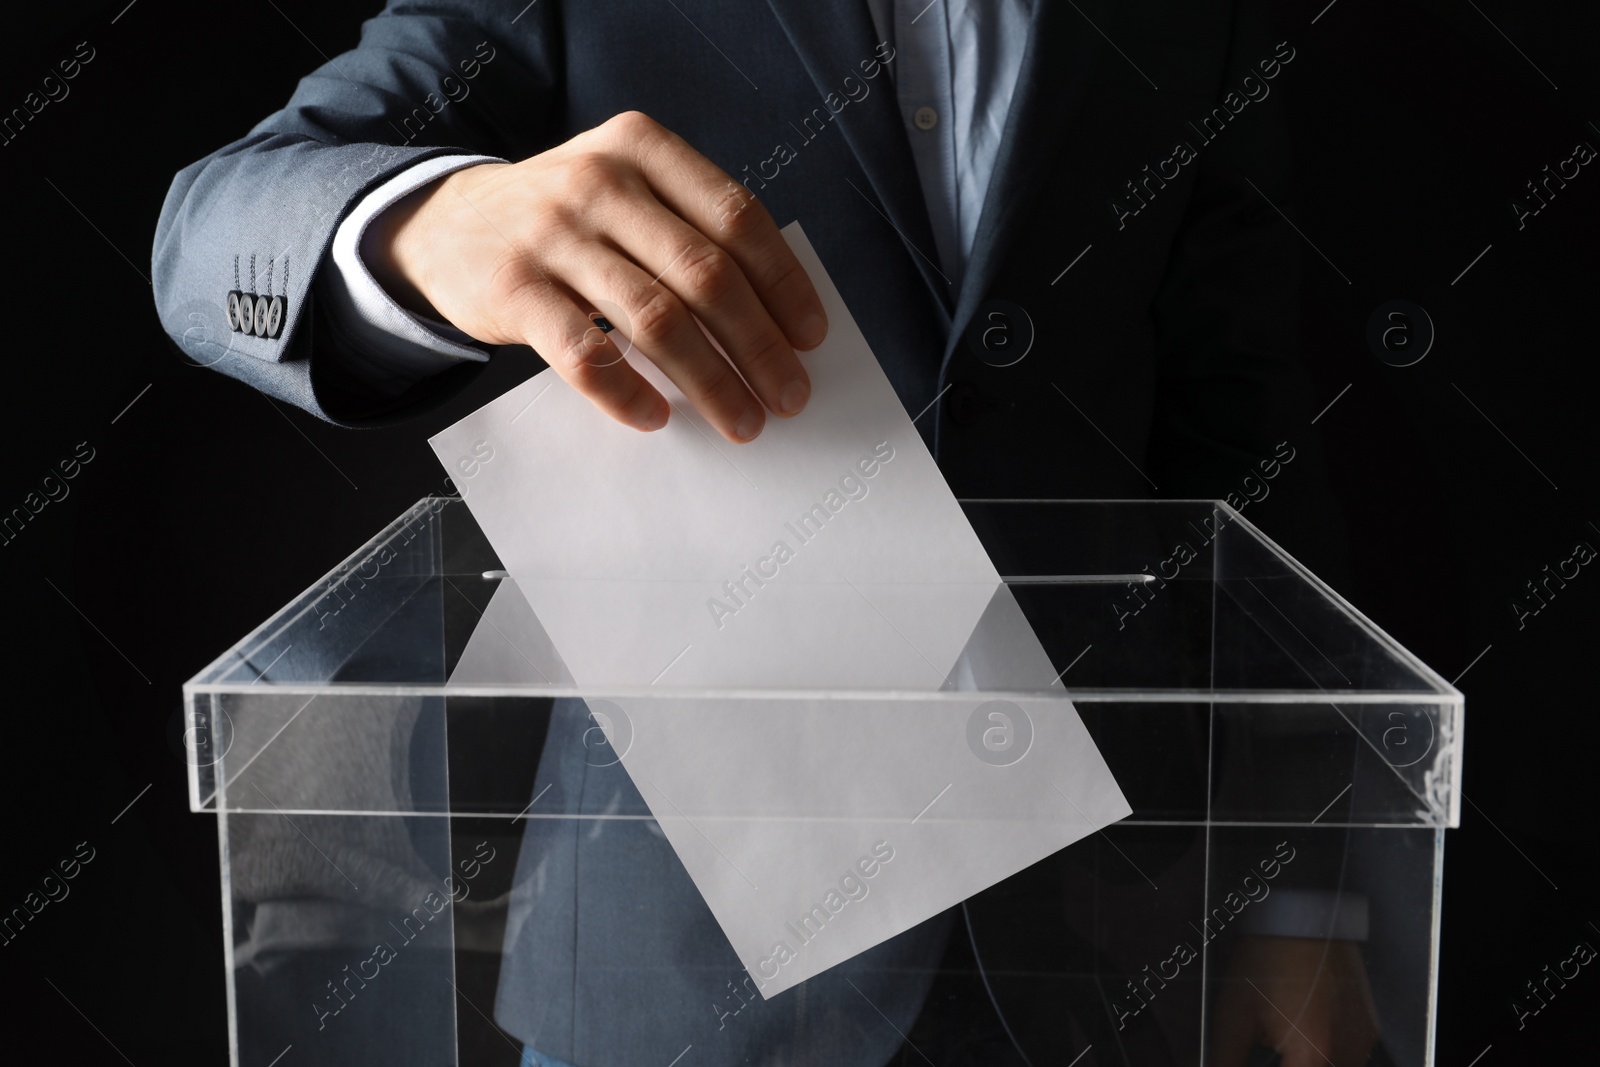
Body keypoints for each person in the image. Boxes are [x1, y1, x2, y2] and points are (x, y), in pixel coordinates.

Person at [152, 1, 1388, 1064]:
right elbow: (207, 231)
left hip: (1102, 942)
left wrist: (1299, 901)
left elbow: (1246, 438)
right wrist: (433, 221)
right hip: (674, 942)